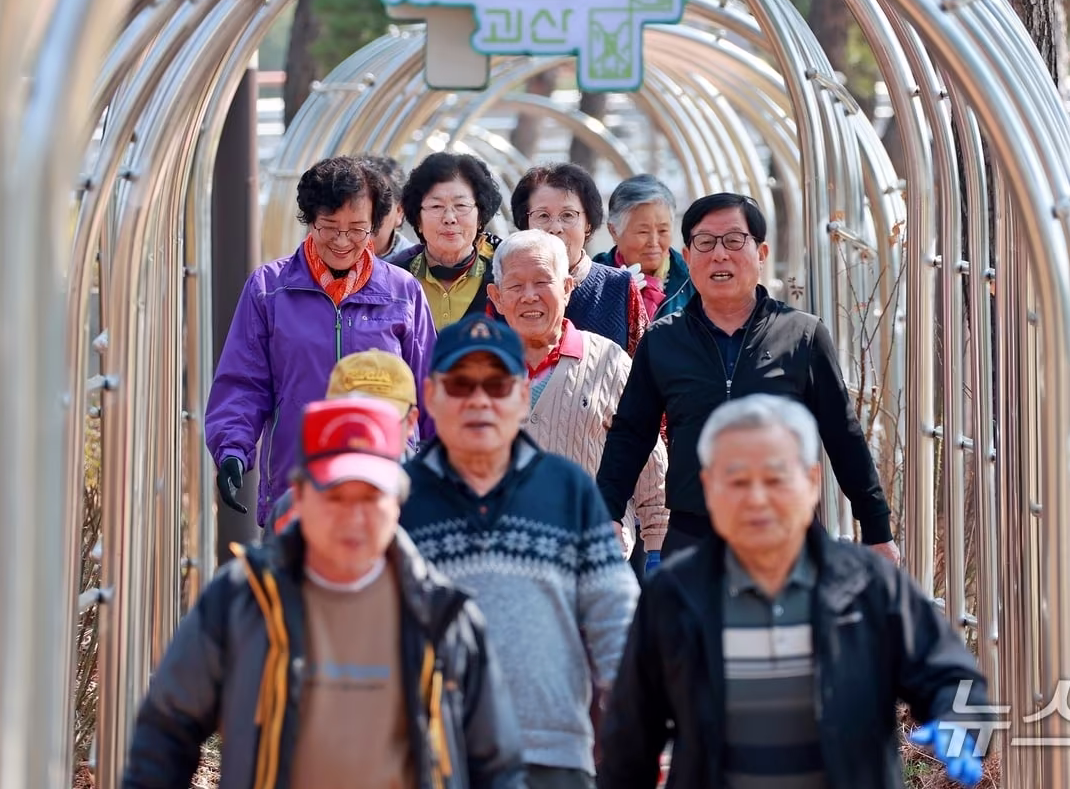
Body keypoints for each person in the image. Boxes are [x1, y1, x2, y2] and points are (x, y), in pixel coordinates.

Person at [124, 398, 525, 789]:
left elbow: (497, 765)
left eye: (370, 497)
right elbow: (165, 734)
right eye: (335, 495)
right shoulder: (240, 601)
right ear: (299, 497)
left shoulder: (445, 616)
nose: (353, 517)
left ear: (399, 502)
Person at [597, 395, 988, 789]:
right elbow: (630, 741)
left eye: (775, 479)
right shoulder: (675, 595)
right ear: (709, 487)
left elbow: (954, 678)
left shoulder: (869, 588)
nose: (757, 499)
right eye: (738, 481)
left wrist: (962, 726)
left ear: (812, 481)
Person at [400, 314, 640, 789]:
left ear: (522, 396)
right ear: (430, 396)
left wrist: (634, 719)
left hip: (553, 753)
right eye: (460, 385)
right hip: (432, 755)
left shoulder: (569, 488)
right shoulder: (397, 499)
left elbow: (615, 614)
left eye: (497, 385)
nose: (479, 400)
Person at [597, 192, 900, 562]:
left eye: (734, 240)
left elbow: (843, 436)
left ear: (761, 253)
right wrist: (608, 512)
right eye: (705, 242)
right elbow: (631, 434)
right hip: (694, 539)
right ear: (687, 257)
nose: (719, 254)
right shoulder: (662, 340)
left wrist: (877, 530)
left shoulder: (802, 335)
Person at [205, 155, 437, 527]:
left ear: (375, 225)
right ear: (310, 220)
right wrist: (232, 449)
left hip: (387, 491)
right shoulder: (269, 289)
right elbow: (244, 382)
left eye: (357, 229)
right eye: (329, 227)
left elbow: (429, 389)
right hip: (296, 486)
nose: (343, 241)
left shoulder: (403, 292)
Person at [487, 231, 668, 574]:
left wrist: (657, 551)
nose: (530, 296)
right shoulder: (478, 369)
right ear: (496, 297)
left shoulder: (608, 360)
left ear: (567, 288)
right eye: (515, 286)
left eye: (543, 282)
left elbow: (649, 464)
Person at [266, 348, 422, 534]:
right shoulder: (293, 506)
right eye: (352, 419)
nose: (366, 432)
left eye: (381, 421)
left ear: (410, 421)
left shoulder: (438, 496)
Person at [510, 164, 648, 355]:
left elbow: (645, 364)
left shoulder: (620, 286)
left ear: (588, 223)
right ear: (526, 223)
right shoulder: (507, 289)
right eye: (543, 216)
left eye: (568, 215)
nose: (555, 228)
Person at [388, 152, 506, 330]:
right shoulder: (393, 280)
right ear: (418, 219)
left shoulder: (503, 277)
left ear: (480, 217)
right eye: (436, 206)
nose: (449, 218)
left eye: (461, 206)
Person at [594, 174, 694, 321]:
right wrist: (614, 300)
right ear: (614, 231)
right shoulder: (592, 281)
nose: (654, 242)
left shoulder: (691, 277)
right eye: (643, 232)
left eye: (663, 231)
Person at [358, 154, 419, 259]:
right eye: (355, 205)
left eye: (377, 207)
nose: (363, 218)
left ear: (399, 211)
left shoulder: (414, 265)